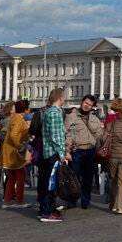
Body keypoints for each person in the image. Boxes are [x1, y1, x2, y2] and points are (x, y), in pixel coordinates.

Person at [36, 88, 71, 222]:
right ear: (61, 98)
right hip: (53, 153)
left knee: (45, 182)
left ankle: (44, 209)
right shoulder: (56, 113)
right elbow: (56, 137)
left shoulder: (47, 112)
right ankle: (47, 211)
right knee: (50, 184)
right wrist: (62, 153)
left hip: (46, 151)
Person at [63, 94, 103, 209]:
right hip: (77, 150)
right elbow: (68, 133)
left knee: (88, 177)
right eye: (86, 103)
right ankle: (72, 200)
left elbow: (98, 135)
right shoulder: (71, 117)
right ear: (82, 102)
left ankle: (85, 200)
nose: (87, 106)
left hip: (90, 150)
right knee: (74, 176)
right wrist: (68, 148)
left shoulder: (94, 119)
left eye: (90, 105)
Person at [1, 100, 30, 208]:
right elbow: (14, 135)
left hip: (10, 151)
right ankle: (19, 200)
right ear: (25, 109)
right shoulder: (19, 119)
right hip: (15, 152)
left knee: (12, 176)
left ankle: (7, 201)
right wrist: (19, 146)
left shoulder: (15, 118)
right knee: (21, 175)